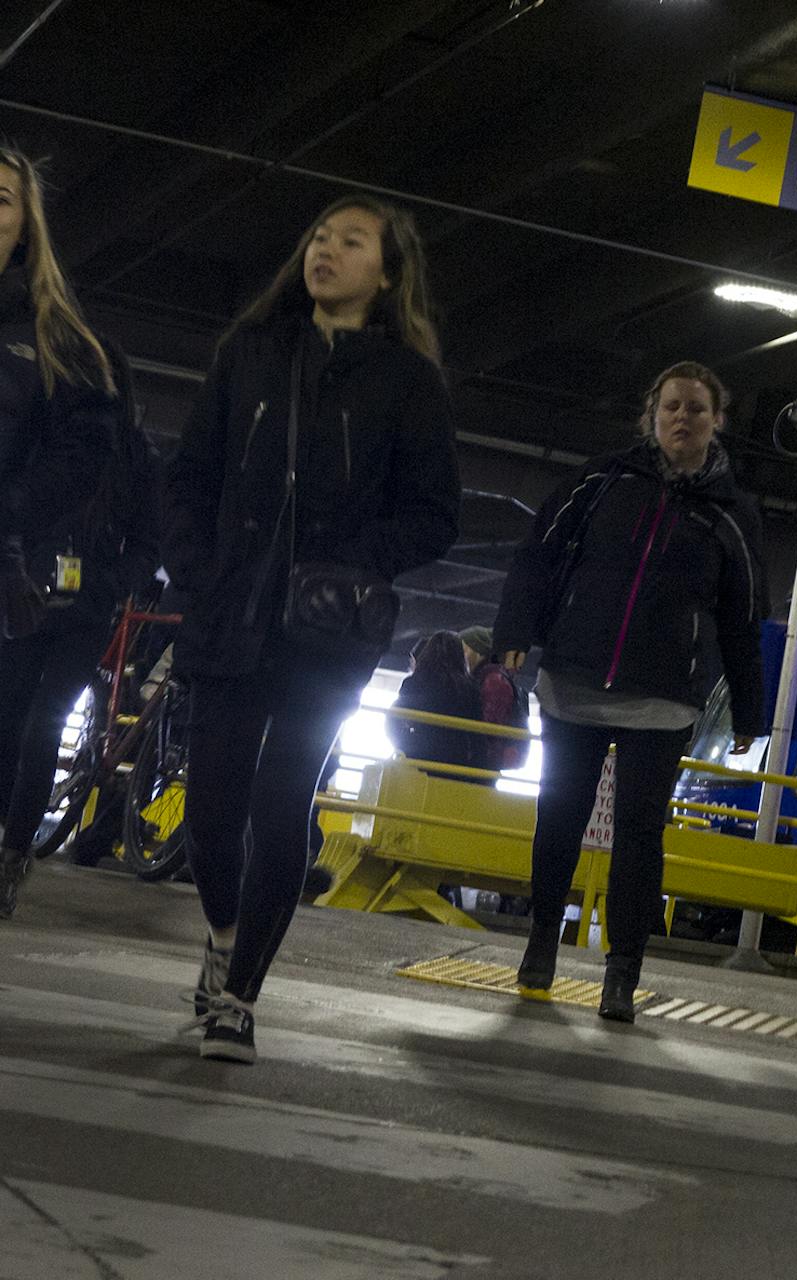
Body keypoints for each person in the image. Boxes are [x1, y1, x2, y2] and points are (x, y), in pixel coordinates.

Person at [166, 194, 460, 1064]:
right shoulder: (249, 352)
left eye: (350, 241)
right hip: (232, 610)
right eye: (320, 237)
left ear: (387, 271)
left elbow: (434, 515)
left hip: (327, 632)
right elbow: (188, 476)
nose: (325, 250)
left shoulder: (409, 381)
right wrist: (199, 567)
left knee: (283, 799)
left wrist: (355, 558)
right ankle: (222, 934)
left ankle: (241, 997)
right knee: (212, 811)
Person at [494, 360, 765, 1023]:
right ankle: (540, 946)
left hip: (665, 697)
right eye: (672, 406)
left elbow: (744, 616)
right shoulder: (600, 481)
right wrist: (516, 631)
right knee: (559, 814)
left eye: (697, 409)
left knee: (640, 836)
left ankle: (622, 973)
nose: (683, 418)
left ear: (717, 421)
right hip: (575, 678)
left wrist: (751, 710)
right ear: (652, 413)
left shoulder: (734, 517)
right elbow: (540, 554)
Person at [0, 147, 138, 915]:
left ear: (27, 229)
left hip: (23, 575)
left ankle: (13, 848)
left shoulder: (66, 348)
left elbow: (88, 464)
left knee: (23, 724)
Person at [392, 630, 483, 769]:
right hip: (457, 759)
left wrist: (404, 743)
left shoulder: (414, 682)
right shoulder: (471, 688)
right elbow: (477, 730)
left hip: (417, 753)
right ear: (459, 656)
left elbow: (395, 718)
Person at [459, 624, 528, 771]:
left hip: (484, 762)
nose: (461, 655)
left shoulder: (493, 680)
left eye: (464, 649)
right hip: (486, 760)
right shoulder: (490, 677)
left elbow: (489, 726)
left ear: (477, 651)